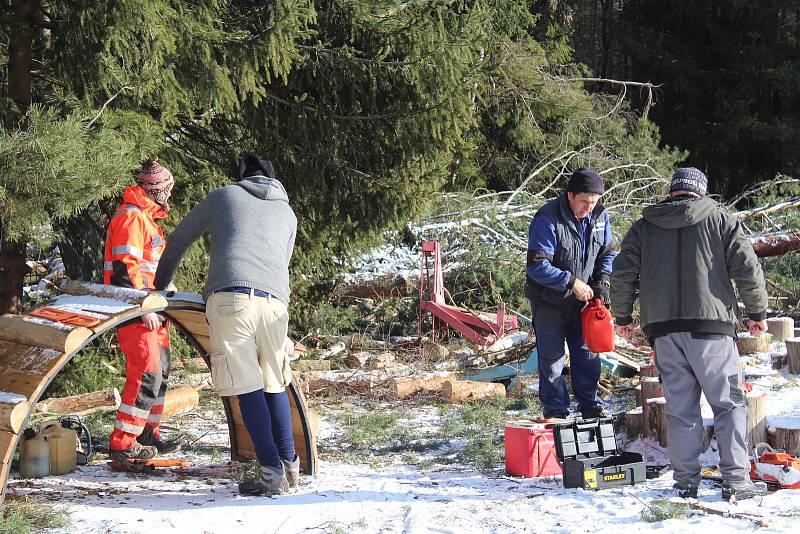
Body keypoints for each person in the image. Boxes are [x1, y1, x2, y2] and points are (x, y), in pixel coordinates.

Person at [611, 167, 769, 501]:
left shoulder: (644, 226)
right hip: (712, 332)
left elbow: (622, 273)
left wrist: (622, 316)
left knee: (681, 410)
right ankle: (737, 481)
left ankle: (685, 482)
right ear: (701, 191)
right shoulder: (722, 220)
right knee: (729, 404)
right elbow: (748, 267)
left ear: (673, 192)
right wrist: (757, 314)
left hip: (665, 333)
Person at [154, 155, 298, 496]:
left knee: (246, 385)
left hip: (232, 300)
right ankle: (290, 467)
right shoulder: (287, 214)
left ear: (243, 177)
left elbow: (178, 240)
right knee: (275, 383)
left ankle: (269, 472)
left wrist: (160, 286)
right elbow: (282, 263)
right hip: (275, 304)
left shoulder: (225, 196)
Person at [104, 158, 180, 460]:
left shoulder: (146, 219)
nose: (170, 196)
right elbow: (125, 270)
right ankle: (123, 442)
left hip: (153, 309)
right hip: (138, 312)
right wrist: (141, 305)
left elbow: (148, 268)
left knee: (160, 371)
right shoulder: (132, 218)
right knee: (147, 373)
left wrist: (165, 287)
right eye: (168, 190)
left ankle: (147, 432)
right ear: (157, 190)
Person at [526, 167, 616, 421]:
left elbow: (607, 253)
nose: (588, 207)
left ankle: (590, 407)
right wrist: (570, 282)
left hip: (584, 303)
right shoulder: (548, 218)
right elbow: (537, 266)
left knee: (587, 355)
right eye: (584, 201)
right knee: (552, 360)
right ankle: (556, 413)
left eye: (594, 202)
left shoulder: (600, 216)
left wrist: (603, 280)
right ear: (570, 196)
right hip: (549, 303)